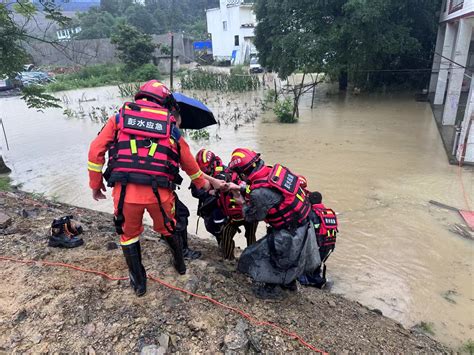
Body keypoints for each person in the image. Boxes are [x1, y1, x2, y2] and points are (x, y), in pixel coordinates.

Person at [88, 80, 211, 297]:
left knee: (128, 235)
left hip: (125, 194)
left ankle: (139, 283)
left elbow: (95, 152)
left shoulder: (118, 119)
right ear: (165, 102)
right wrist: (202, 185)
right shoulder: (171, 128)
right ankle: (180, 266)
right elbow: (188, 163)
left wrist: (96, 184)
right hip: (160, 195)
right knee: (168, 228)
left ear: (140, 97)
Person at [227, 148, 320, 299]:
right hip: (303, 225)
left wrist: (241, 201)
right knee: (291, 259)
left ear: (243, 173)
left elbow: (253, 216)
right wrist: (241, 188)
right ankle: (289, 284)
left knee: (264, 257)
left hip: (289, 233)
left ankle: (273, 290)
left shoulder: (258, 193)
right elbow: (269, 192)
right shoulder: (274, 172)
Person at [194, 149, 258, 260]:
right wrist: (209, 191)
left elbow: (252, 192)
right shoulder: (202, 175)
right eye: (203, 170)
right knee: (221, 232)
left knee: (246, 235)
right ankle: (230, 258)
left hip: (240, 213)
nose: (205, 171)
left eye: (206, 169)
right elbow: (195, 191)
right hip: (227, 211)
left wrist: (217, 189)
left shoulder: (226, 174)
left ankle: (248, 257)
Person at [298, 191, 338, 288]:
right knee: (317, 264)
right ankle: (317, 278)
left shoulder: (311, 213)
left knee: (307, 263)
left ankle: (307, 280)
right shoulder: (329, 212)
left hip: (318, 244)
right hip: (330, 245)